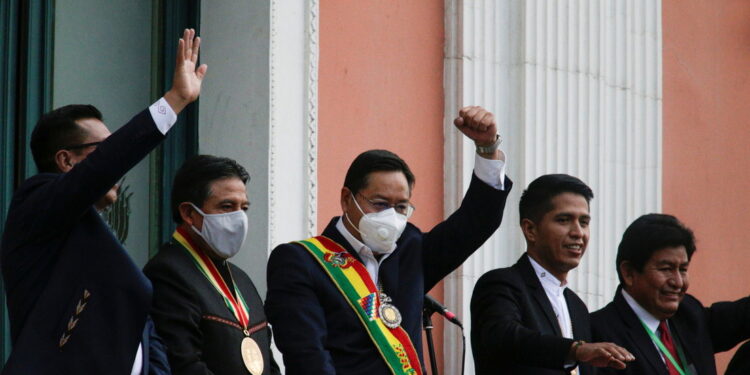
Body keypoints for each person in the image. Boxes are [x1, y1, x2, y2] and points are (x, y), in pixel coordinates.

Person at [0, 29, 206, 374]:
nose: (118, 168)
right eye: (103, 149)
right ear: (66, 161)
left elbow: (140, 330)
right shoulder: (35, 204)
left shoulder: (94, 238)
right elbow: (104, 166)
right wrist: (174, 101)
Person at [265, 106, 512, 374]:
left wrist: (487, 149)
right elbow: (308, 356)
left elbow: (476, 222)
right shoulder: (302, 261)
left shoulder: (411, 249)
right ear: (347, 199)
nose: (391, 216)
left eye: (401, 207)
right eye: (380, 204)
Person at [471, 174, 634, 375]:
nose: (578, 233)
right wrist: (576, 350)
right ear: (530, 229)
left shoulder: (577, 307)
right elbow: (505, 337)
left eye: (584, 222)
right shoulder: (502, 284)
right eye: (564, 220)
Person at [144, 155, 280, 375]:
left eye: (243, 208)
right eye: (227, 206)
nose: (238, 218)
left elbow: (269, 363)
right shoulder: (167, 273)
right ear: (189, 213)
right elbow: (184, 365)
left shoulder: (242, 280)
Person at [591, 214, 750, 375]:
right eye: (666, 269)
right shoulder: (600, 333)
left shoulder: (689, 313)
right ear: (629, 273)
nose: (678, 282)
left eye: (683, 269)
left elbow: (742, 315)